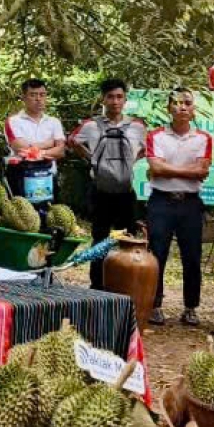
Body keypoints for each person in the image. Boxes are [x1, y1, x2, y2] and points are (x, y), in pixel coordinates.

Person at [68, 78, 146, 290]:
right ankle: (97, 285)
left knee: (127, 240)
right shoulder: (91, 126)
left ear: (125, 99)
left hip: (125, 193)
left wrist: (133, 161)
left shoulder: (137, 127)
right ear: (103, 99)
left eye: (119, 97)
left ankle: (123, 284)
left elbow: (149, 148)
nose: (115, 101)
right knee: (100, 239)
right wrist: (90, 159)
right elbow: (72, 140)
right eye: (110, 97)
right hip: (100, 192)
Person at [145, 89, 212, 326]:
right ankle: (154, 304)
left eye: (187, 103)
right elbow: (157, 169)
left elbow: (202, 171)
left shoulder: (203, 138)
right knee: (156, 254)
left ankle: (191, 307)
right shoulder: (156, 136)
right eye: (176, 103)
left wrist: (167, 169)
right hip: (161, 201)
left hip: (191, 204)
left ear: (194, 109)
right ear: (168, 108)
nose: (182, 107)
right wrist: (189, 172)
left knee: (192, 256)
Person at [3, 78, 66, 201]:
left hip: (48, 176)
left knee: (50, 214)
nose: (38, 99)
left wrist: (38, 152)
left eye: (42, 95)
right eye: (33, 95)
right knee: (21, 216)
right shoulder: (13, 121)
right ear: (24, 98)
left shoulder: (54, 122)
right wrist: (49, 144)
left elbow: (61, 151)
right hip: (20, 176)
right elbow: (20, 147)